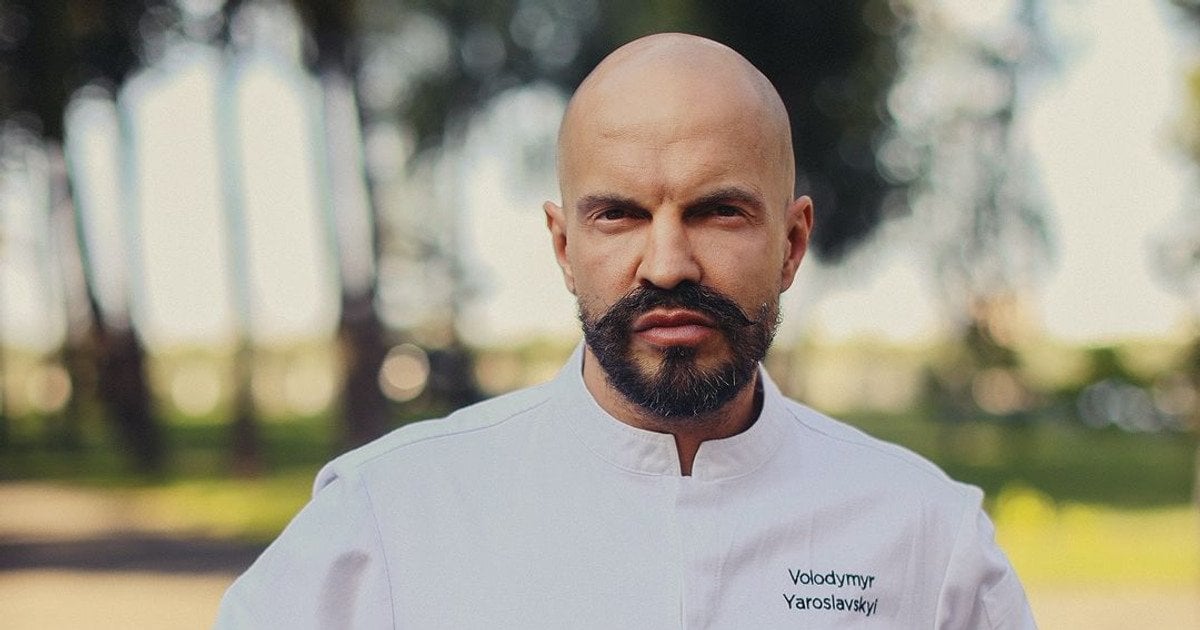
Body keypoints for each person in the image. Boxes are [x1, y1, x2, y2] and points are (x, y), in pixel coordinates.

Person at [216, 33, 1036, 628]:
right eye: (619, 214)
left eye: (718, 211)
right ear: (564, 247)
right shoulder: (389, 518)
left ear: (791, 244)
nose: (668, 264)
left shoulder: (927, 537)